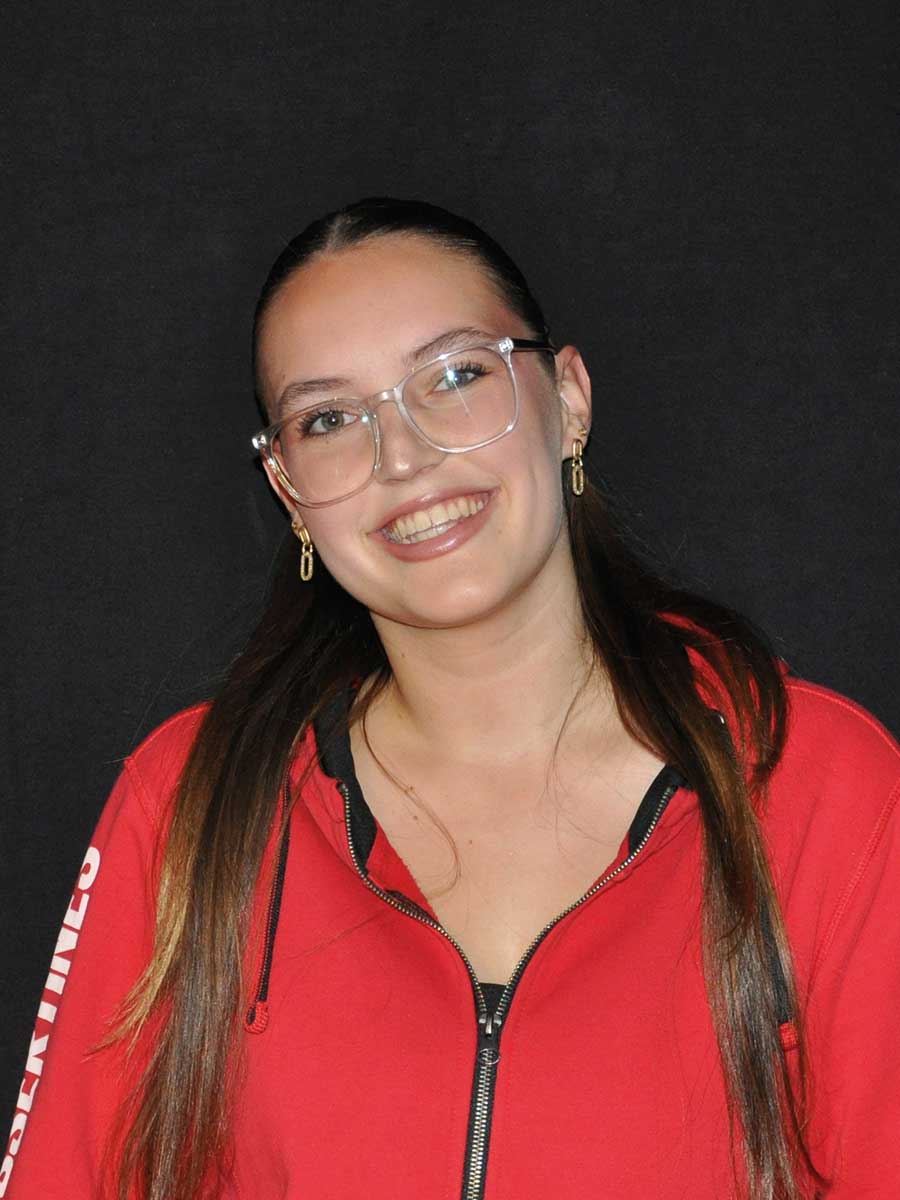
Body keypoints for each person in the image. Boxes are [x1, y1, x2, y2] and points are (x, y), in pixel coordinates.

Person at [3, 198, 899, 1200]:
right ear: (289, 490)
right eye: (329, 419)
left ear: (569, 400)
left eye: (456, 375)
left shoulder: (819, 788)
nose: (402, 456)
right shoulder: (189, 803)